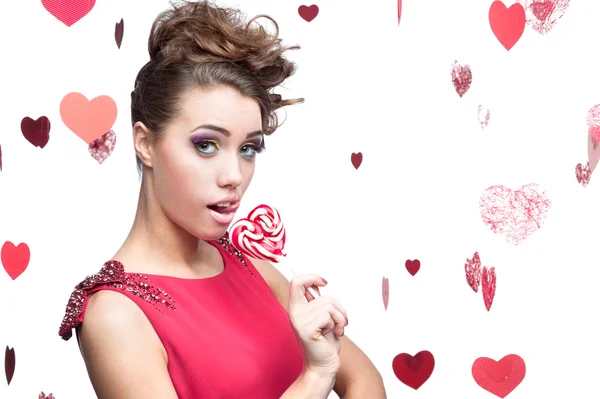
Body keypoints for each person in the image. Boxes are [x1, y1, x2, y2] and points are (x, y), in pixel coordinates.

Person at [57, 1, 386, 398]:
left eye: (248, 149)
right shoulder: (114, 314)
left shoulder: (257, 273)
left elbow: (366, 381)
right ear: (145, 143)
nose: (234, 176)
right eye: (206, 145)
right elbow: (327, 374)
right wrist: (315, 377)